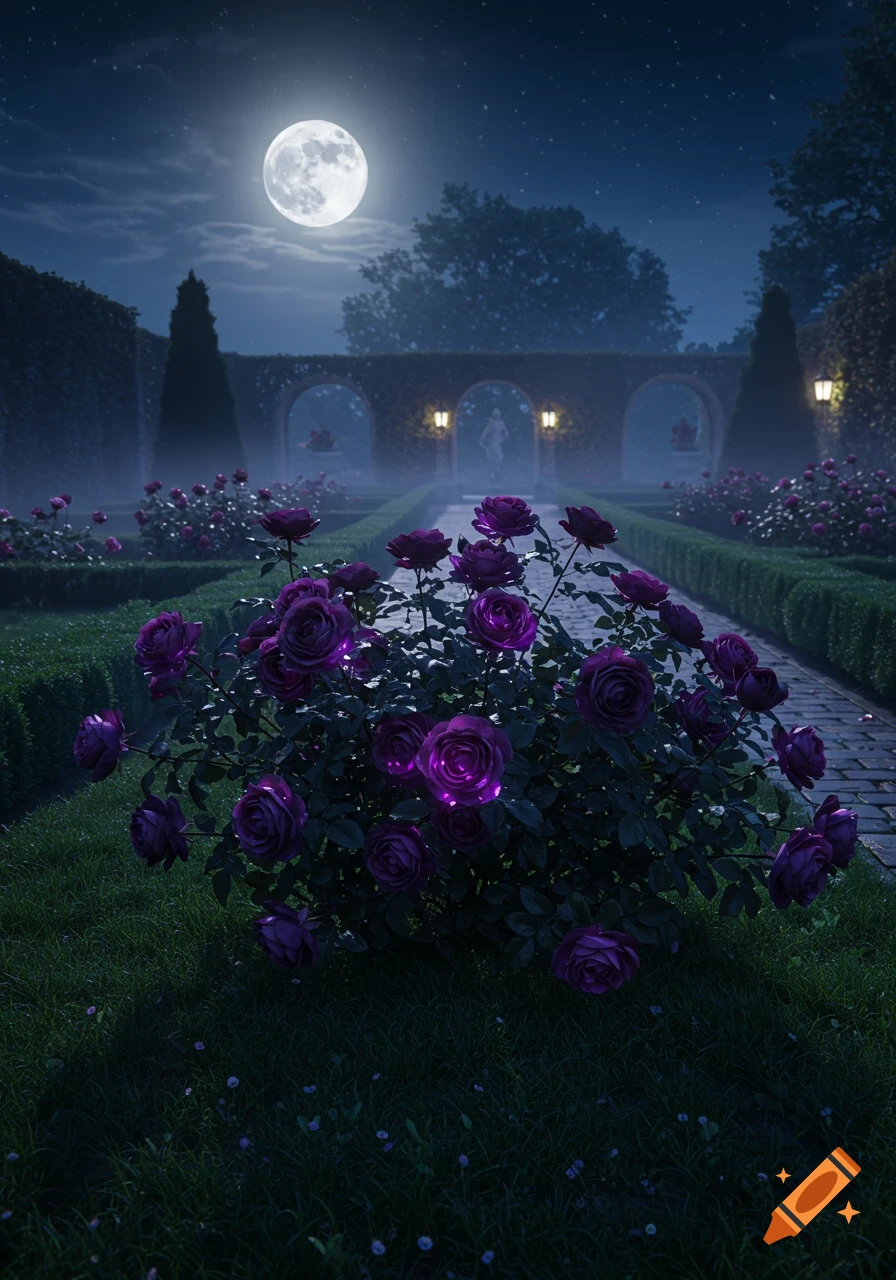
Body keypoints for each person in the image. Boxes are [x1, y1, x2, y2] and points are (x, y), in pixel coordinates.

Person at [479, 408, 509, 483]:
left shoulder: (501, 423)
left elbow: (505, 431)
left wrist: (506, 436)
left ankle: (496, 473)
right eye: (496, 414)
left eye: (498, 414)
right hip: (492, 442)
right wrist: (483, 438)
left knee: (499, 457)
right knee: (494, 457)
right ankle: (494, 473)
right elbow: (486, 431)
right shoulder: (491, 422)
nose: (497, 416)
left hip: (498, 441)